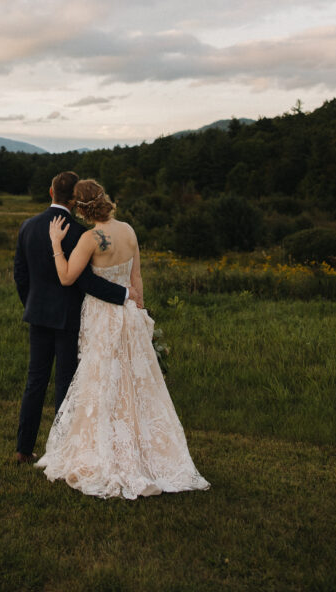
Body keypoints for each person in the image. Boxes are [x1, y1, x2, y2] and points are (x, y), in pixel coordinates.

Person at [35, 178, 209, 498]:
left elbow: (66, 277)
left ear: (81, 208)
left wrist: (56, 244)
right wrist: (140, 312)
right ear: (105, 199)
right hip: (129, 314)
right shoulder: (128, 230)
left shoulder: (89, 239)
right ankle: (141, 450)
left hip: (102, 316)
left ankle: (107, 450)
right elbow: (136, 278)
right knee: (131, 381)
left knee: (101, 380)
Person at [14, 171, 142, 464]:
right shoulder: (79, 233)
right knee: (65, 384)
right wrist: (125, 295)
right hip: (70, 318)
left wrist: (32, 305)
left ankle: (23, 449)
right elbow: (85, 282)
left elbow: (20, 275)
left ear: (50, 192)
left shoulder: (28, 226)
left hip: (38, 316)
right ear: (75, 199)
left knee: (35, 381)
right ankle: (61, 452)